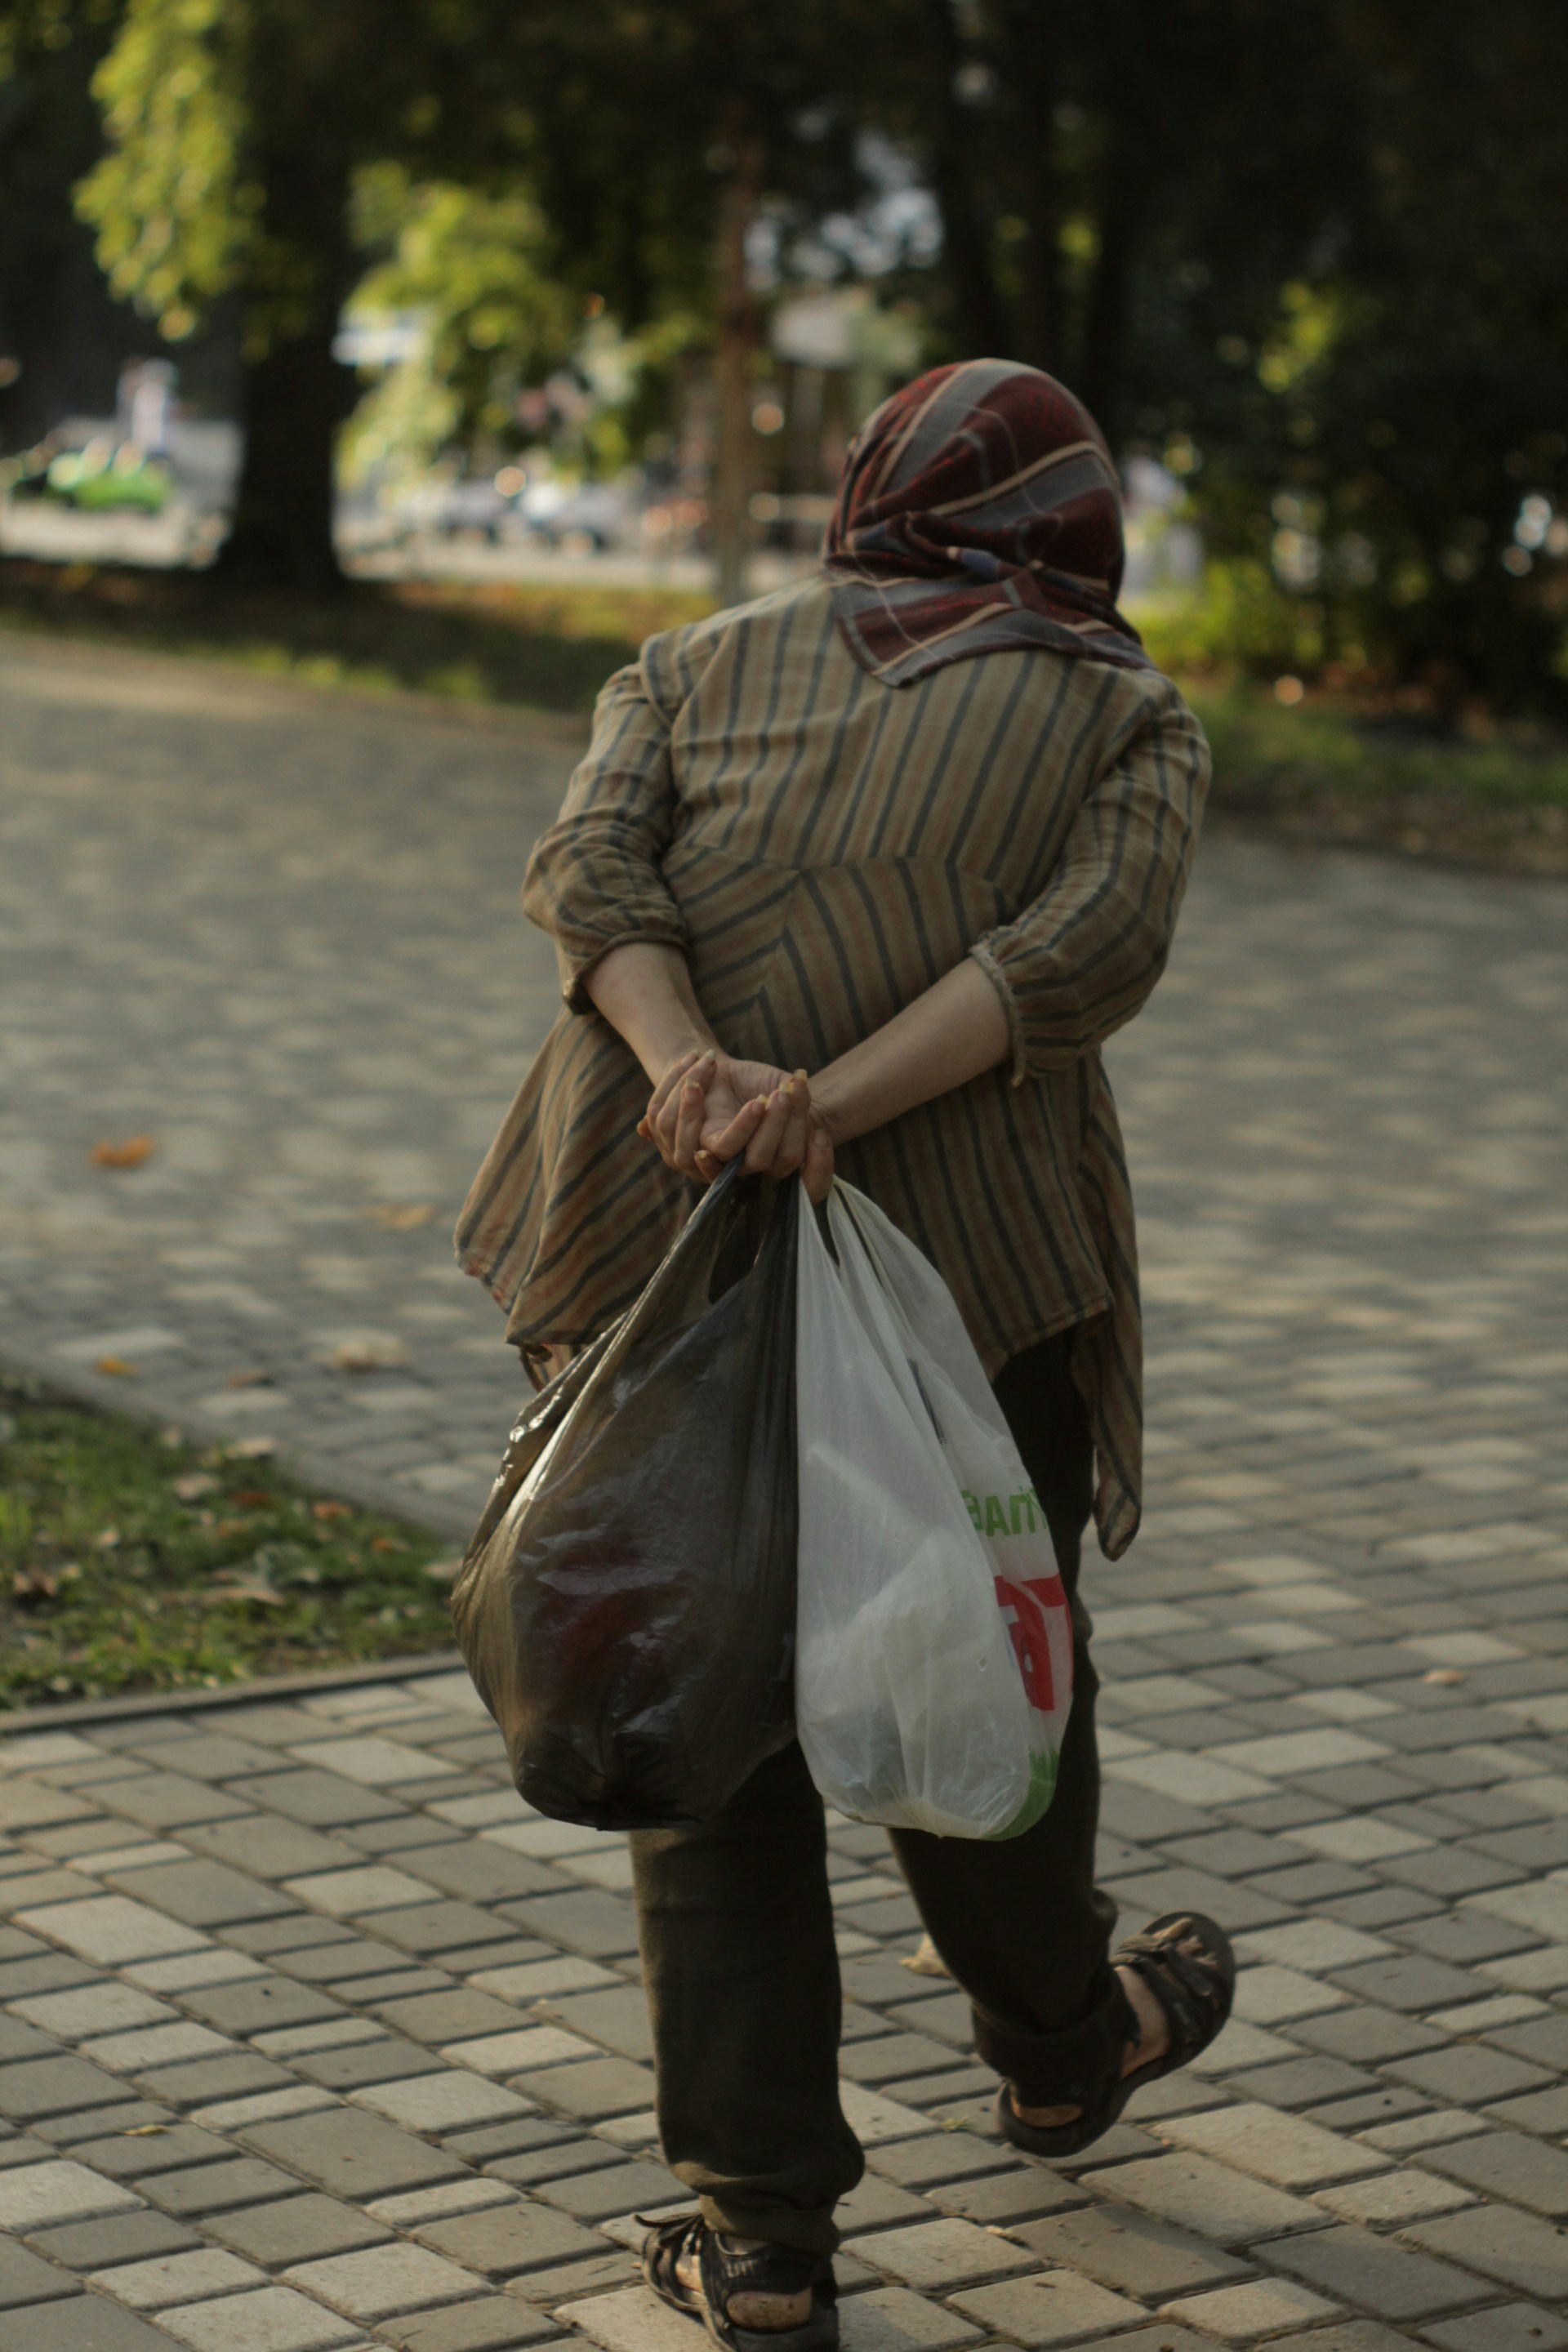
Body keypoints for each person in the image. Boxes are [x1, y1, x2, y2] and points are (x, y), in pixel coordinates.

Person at [457, 359, 1234, 2351]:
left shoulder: (693, 659)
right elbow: (1080, 957)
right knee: (979, 1683)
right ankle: (1065, 2047)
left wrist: (697, 1073)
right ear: (1077, 532)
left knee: (702, 1738)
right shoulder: (1121, 711)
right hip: (969, 1282)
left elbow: (589, 882)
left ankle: (767, 2245)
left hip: (656, 1251)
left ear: (876, 498)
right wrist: (824, 1095)